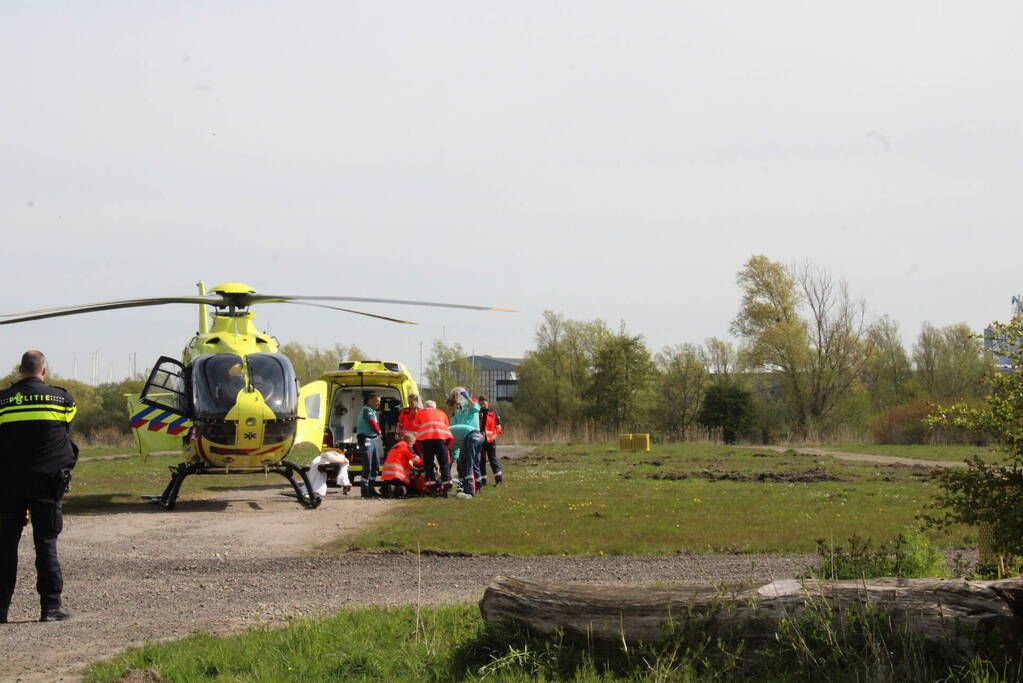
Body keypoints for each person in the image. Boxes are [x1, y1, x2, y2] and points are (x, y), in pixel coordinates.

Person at [0, 351, 78, 623]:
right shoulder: (62, 399)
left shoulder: (2, 401)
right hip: (47, 482)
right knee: (45, 543)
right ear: (43, 370)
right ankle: (51, 607)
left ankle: (1, 610)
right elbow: (66, 429)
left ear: (20, 370)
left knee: (5, 546)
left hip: (8, 483)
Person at [448, 387, 482, 499]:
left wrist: (468, 398)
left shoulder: (469, 405)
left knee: (470, 463)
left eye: (455, 397)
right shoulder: (455, 414)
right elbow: (454, 435)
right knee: (464, 464)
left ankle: (472, 489)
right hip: (464, 439)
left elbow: (476, 408)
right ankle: (466, 487)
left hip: (472, 436)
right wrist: (454, 457)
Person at [412, 400, 453, 487]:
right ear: (434, 407)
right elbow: (447, 428)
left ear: (425, 406)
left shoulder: (420, 412)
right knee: (444, 462)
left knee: (428, 463)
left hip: (427, 439)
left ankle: (431, 484)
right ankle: (447, 483)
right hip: (441, 439)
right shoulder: (442, 413)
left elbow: (415, 428)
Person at [356, 392, 383, 497]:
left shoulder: (372, 411)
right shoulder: (367, 410)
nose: (378, 403)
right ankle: (365, 490)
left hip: (373, 440)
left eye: (379, 402)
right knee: (368, 466)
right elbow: (372, 423)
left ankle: (371, 488)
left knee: (375, 465)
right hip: (366, 440)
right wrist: (379, 431)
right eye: (377, 401)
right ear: (370, 400)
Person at [380, 432, 417, 498]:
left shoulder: (395, 446)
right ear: (409, 442)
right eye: (413, 443)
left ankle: (386, 489)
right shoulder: (406, 447)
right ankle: (395, 489)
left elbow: (403, 459)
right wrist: (423, 463)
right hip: (397, 474)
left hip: (387, 474)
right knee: (406, 488)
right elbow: (415, 459)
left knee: (390, 484)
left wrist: (411, 465)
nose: (413, 445)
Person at [477, 395, 504, 487]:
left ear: (487, 402)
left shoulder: (493, 411)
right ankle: (483, 481)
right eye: (481, 403)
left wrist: (496, 433)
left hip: (491, 439)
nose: (482, 405)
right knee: (481, 461)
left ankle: (498, 480)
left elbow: (498, 424)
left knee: (493, 459)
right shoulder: (477, 412)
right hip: (480, 440)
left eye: (484, 403)